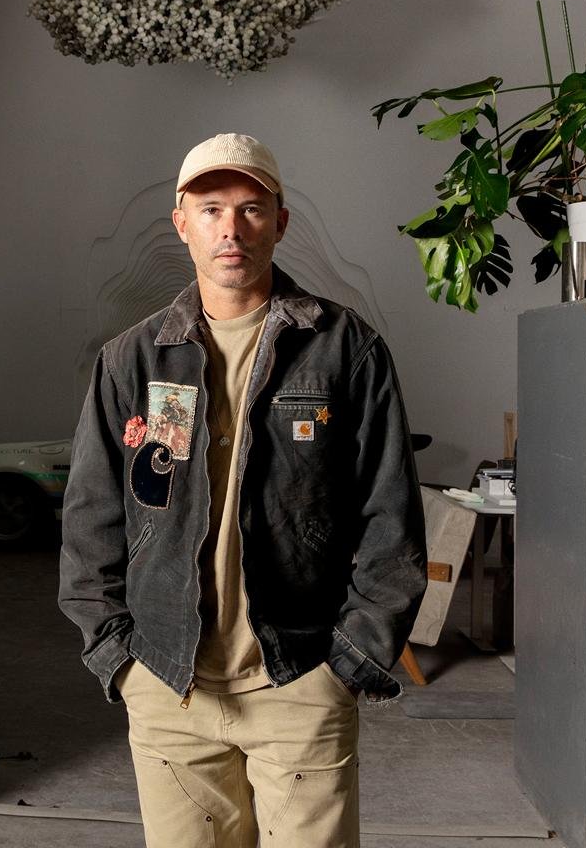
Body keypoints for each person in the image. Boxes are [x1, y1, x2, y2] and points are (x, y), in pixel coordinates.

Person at [60, 133, 426, 847]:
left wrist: (347, 664)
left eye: (251, 209)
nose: (231, 228)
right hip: (168, 686)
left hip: (299, 681)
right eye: (211, 209)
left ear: (280, 223)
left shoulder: (344, 348)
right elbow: (91, 519)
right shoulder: (132, 360)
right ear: (182, 223)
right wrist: (120, 659)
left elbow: (393, 519)